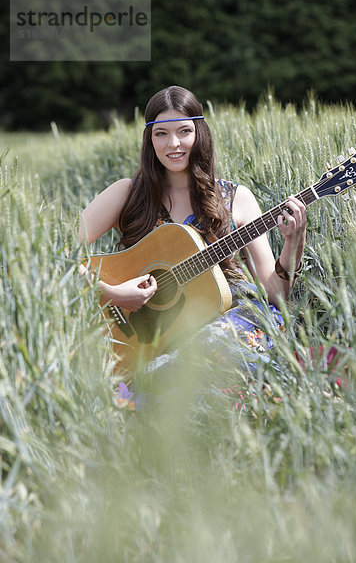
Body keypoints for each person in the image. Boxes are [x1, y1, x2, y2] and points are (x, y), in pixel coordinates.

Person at [79, 85, 306, 389]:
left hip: (229, 325)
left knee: (212, 344)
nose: (173, 143)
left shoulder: (236, 198)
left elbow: (276, 295)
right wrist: (111, 293)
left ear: (199, 133)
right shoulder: (127, 194)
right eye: (161, 133)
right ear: (150, 140)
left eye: (184, 131)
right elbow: (52, 250)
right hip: (156, 334)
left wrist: (293, 243)